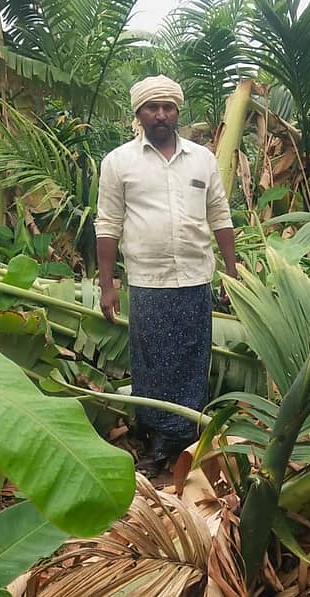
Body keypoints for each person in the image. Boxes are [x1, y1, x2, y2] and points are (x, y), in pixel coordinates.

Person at [95, 74, 237, 467]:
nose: (161, 114)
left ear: (177, 111)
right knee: (152, 361)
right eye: (152, 108)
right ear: (139, 113)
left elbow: (219, 215)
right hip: (148, 279)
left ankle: (185, 438)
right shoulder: (119, 162)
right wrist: (107, 285)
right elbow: (108, 224)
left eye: (168, 107)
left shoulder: (202, 159)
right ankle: (156, 439)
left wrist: (232, 271)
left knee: (193, 356)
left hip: (195, 276)